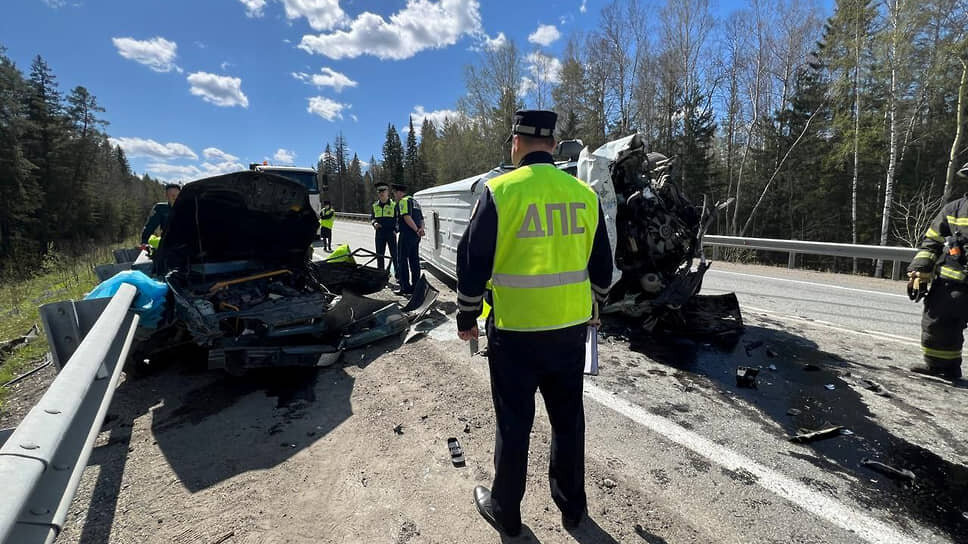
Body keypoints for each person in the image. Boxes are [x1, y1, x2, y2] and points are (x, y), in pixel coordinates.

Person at [455, 110, 613, 536]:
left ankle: (506, 511)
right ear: (553, 143)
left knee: (513, 423)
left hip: (515, 335)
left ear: (516, 142)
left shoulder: (499, 192)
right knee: (567, 421)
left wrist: (467, 314)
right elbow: (603, 266)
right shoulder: (583, 195)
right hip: (568, 334)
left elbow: (472, 262)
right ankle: (573, 508)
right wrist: (597, 305)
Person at [906, 161, 968, 380]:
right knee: (938, 323)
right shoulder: (954, 209)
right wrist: (920, 270)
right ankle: (942, 367)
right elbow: (932, 241)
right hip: (952, 284)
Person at [393, 182, 424, 295]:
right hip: (416, 236)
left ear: (400, 193)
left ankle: (405, 287)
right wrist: (420, 230)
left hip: (407, 234)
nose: (394, 196)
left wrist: (416, 229)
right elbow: (421, 218)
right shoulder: (415, 202)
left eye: (395, 194)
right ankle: (416, 287)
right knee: (414, 261)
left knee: (402, 261)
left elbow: (406, 216)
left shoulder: (403, 201)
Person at [140, 183, 180, 249]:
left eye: (176, 194)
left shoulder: (187, 208)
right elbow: (150, 226)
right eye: (171, 194)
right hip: (167, 243)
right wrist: (144, 241)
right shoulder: (161, 208)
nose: (174, 196)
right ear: (166, 196)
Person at [370, 183, 398, 276]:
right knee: (379, 255)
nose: (381, 193)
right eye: (379, 192)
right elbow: (372, 218)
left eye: (383, 191)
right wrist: (374, 223)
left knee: (394, 255)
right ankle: (380, 275)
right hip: (379, 234)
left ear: (387, 192)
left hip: (391, 233)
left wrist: (396, 230)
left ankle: (398, 275)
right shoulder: (375, 205)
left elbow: (399, 219)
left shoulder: (394, 205)